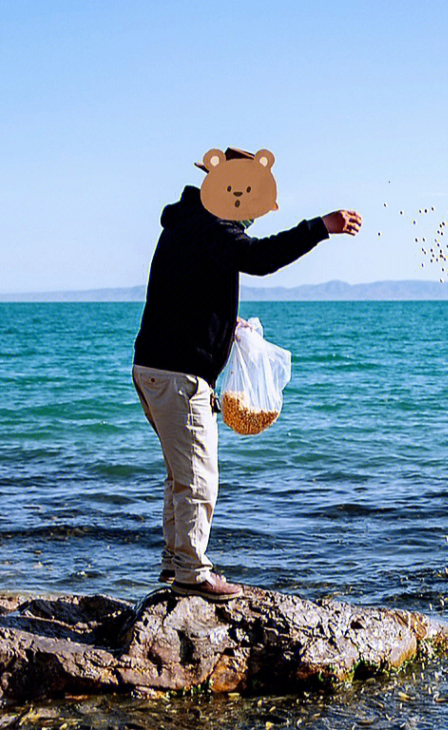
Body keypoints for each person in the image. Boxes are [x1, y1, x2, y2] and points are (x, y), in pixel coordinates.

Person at [133, 151, 361, 598]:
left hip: (154, 366)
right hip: (179, 374)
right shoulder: (211, 225)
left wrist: (223, 327)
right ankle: (193, 574)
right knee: (199, 476)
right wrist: (320, 227)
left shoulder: (187, 222)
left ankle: (175, 562)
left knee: (181, 474)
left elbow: (187, 292)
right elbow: (259, 259)